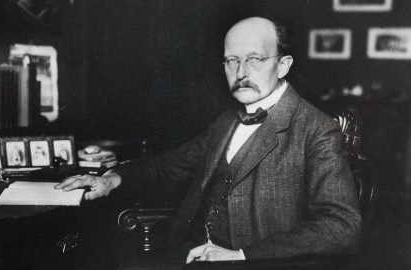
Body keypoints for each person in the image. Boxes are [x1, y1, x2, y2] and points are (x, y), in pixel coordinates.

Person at [55, 16, 361, 264]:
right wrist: (111, 180)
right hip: (188, 254)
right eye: (231, 61)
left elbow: (341, 226)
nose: (241, 72)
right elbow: (169, 166)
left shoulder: (316, 128)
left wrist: (241, 255)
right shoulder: (227, 120)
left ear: (283, 64)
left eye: (254, 59)